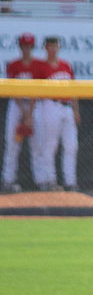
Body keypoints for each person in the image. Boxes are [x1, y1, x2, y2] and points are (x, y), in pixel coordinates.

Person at [34, 36, 79, 192]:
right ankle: (50, 180)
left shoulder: (66, 65)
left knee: (71, 145)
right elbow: (33, 91)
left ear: (58, 47)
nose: (53, 49)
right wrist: (31, 113)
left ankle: (70, 182)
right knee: (50, 144)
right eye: (50, 46)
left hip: (67, 107)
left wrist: (76, 110)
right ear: (45, 48)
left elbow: (73, 89)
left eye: (55, 46)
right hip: (50, 105)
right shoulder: (40, 66)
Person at [1, 33, 40, 193]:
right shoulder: (14, 65)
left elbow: (37, 90)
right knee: (12, 143)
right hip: (17, 105)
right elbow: (12, 90)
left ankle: (42, 181)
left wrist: (29, 113)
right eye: (24, 45)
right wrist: (24, 112)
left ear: (33, 47)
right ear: (20, 47)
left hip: (34, 105)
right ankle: (8, 181)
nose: (27, 49)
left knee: (38, 145)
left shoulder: (38, 65)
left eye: (29, 46)